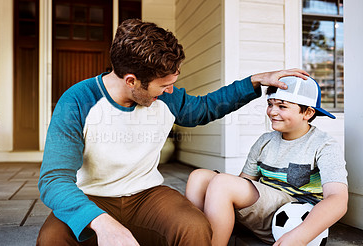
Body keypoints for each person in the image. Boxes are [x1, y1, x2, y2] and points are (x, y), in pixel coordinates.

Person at [36, 18, 309, 246]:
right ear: (131, 80)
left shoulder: (164, 98)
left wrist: (255, 82)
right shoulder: (77, 101)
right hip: (92, 198)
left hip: (146, 195)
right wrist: (103, 224)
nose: (170, 91)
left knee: (194, 226)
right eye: (163, 85)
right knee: (51, 239)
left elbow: (204, 107)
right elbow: (54, 180)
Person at [185, 76, 348, 246]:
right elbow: (245, 182)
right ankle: (197, 237)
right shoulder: (265, 141)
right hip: (264, 210)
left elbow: (338, 199)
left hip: (293, 221)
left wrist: (299, 236)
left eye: (282, 106)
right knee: (199, 177)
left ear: (308, 112)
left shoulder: (323, 144)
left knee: (222, 183)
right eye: (270, 104)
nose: (272, 112)